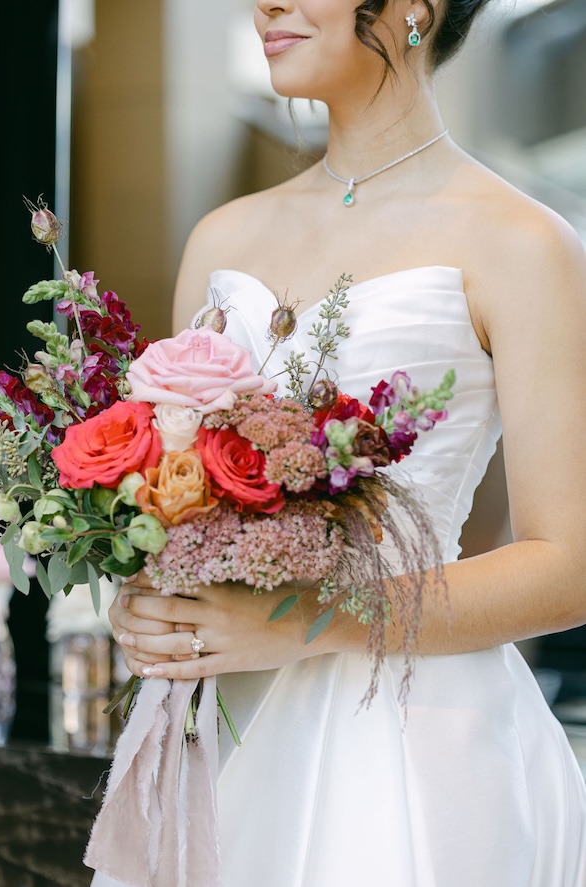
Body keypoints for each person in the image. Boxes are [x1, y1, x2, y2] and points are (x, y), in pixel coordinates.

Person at [99, 1, 586, 884]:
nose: (266, 5)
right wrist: (150, 599)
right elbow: (176, 502)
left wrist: (305, 621)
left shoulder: (525, 245)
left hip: (410, 744)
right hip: (223, 735)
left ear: (416, 10)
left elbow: (569, 565)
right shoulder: (222, 237)